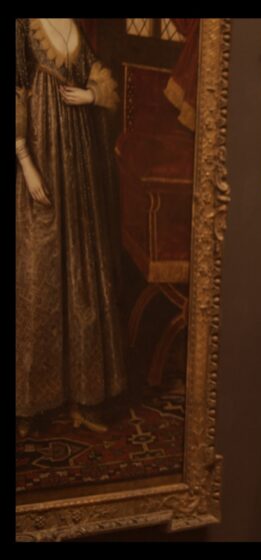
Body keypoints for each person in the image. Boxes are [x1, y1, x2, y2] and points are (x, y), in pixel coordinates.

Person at [16, 18, 125, 436]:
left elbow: (104, 84)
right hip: (40, 154)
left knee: (81, 263)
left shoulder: (78, 29)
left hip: (77, 158)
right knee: (39, 268)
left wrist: (91, 95)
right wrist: (26, 165)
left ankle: (85, 395)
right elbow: (17, 91)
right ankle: (30, 403)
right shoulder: (24, 28)